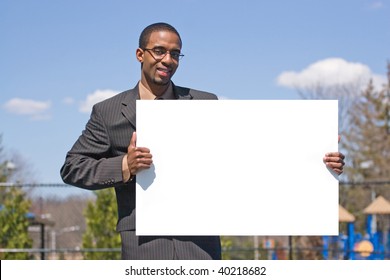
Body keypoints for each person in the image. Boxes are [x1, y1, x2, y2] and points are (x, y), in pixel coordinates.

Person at [60, 22, 345, 260]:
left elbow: (247, 157)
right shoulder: (109, 112)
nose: (167, 60)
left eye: (175, 54)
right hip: (143, 246)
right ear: (139, 54)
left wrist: (317, 160)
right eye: (159, 51)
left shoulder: (205, 103)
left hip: (201, 246)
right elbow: (72, 167)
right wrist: (125, 165)